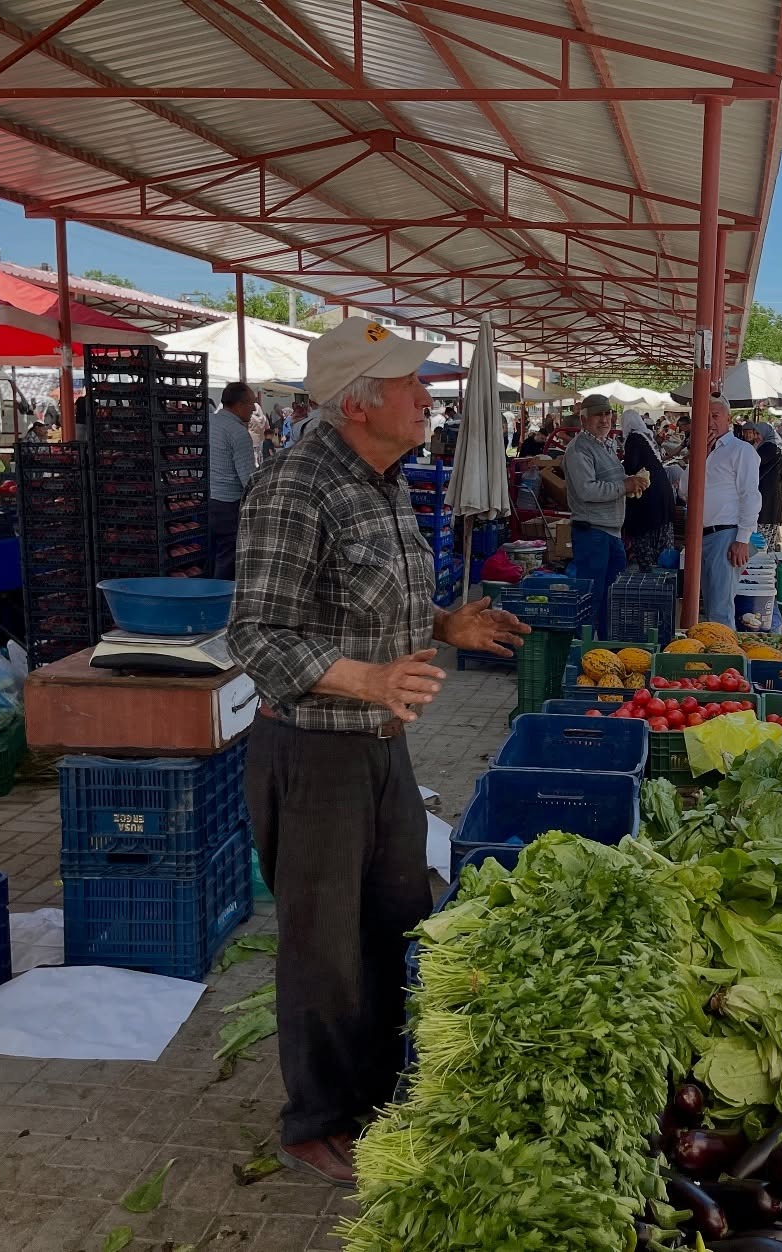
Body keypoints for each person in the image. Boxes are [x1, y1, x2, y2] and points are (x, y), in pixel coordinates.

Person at [228, 315, 529, 1187]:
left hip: (380, 748)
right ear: (357, 403)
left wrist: (444, 625)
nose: (425, 396)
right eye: (409, 384)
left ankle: (376, 1091)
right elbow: (255, 632)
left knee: (394, 921)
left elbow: (365, 598)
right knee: (322, 950)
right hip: (313, 754)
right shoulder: (295, 485)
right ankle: (315, 1121)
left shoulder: (384, 480)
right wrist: (367, 679)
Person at [564, 394, 645, 633]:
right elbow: (586, 490)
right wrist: (624, 486)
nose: (604, 420)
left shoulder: (604, 444)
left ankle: (604, 644)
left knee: (611, 597)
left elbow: (610, 480)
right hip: (592, 533)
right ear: (583, 419)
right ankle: (586, 648)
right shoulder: (579, 449)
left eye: (607, 414)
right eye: (597, 415)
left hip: (610, 532)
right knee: (592, 599)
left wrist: (630, 483)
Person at [698, 399, 760, 628]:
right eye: (705, 416)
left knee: (720, 609)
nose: (709, 422)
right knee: (710, 606)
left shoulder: (741, 450)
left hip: (725, 534)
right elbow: (685, 488)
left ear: (728, 419)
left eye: (715, 416)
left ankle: (725, 649)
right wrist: (700, 456)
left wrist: (742, 539)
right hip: (703, 535)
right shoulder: (704, 450)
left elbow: (750, 495)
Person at [210, 381, 258, 581]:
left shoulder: (208, 423)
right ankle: (220, 597)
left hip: (204, 499)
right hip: (227, 504)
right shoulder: (238, 433)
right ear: (239, 404)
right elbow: (248, 479)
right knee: (227, 557)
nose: (254, 408)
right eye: (252, 403)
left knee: (208, 556)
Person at [620, 409, 676, 569]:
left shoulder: (634, 438)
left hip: (648, 500)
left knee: (647, 551)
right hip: (662, 497)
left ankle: (651, 578)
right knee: (663, 553)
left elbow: (631, 466)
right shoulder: (646, 437)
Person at [741, 421, 782, 552]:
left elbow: (752, 465)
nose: (756, 437)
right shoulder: (774, 447)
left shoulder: (768, 448)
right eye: (754, 433)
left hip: (766, 499)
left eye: (758, 433)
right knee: (768, 541)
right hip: (770, 498)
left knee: (762, 542)